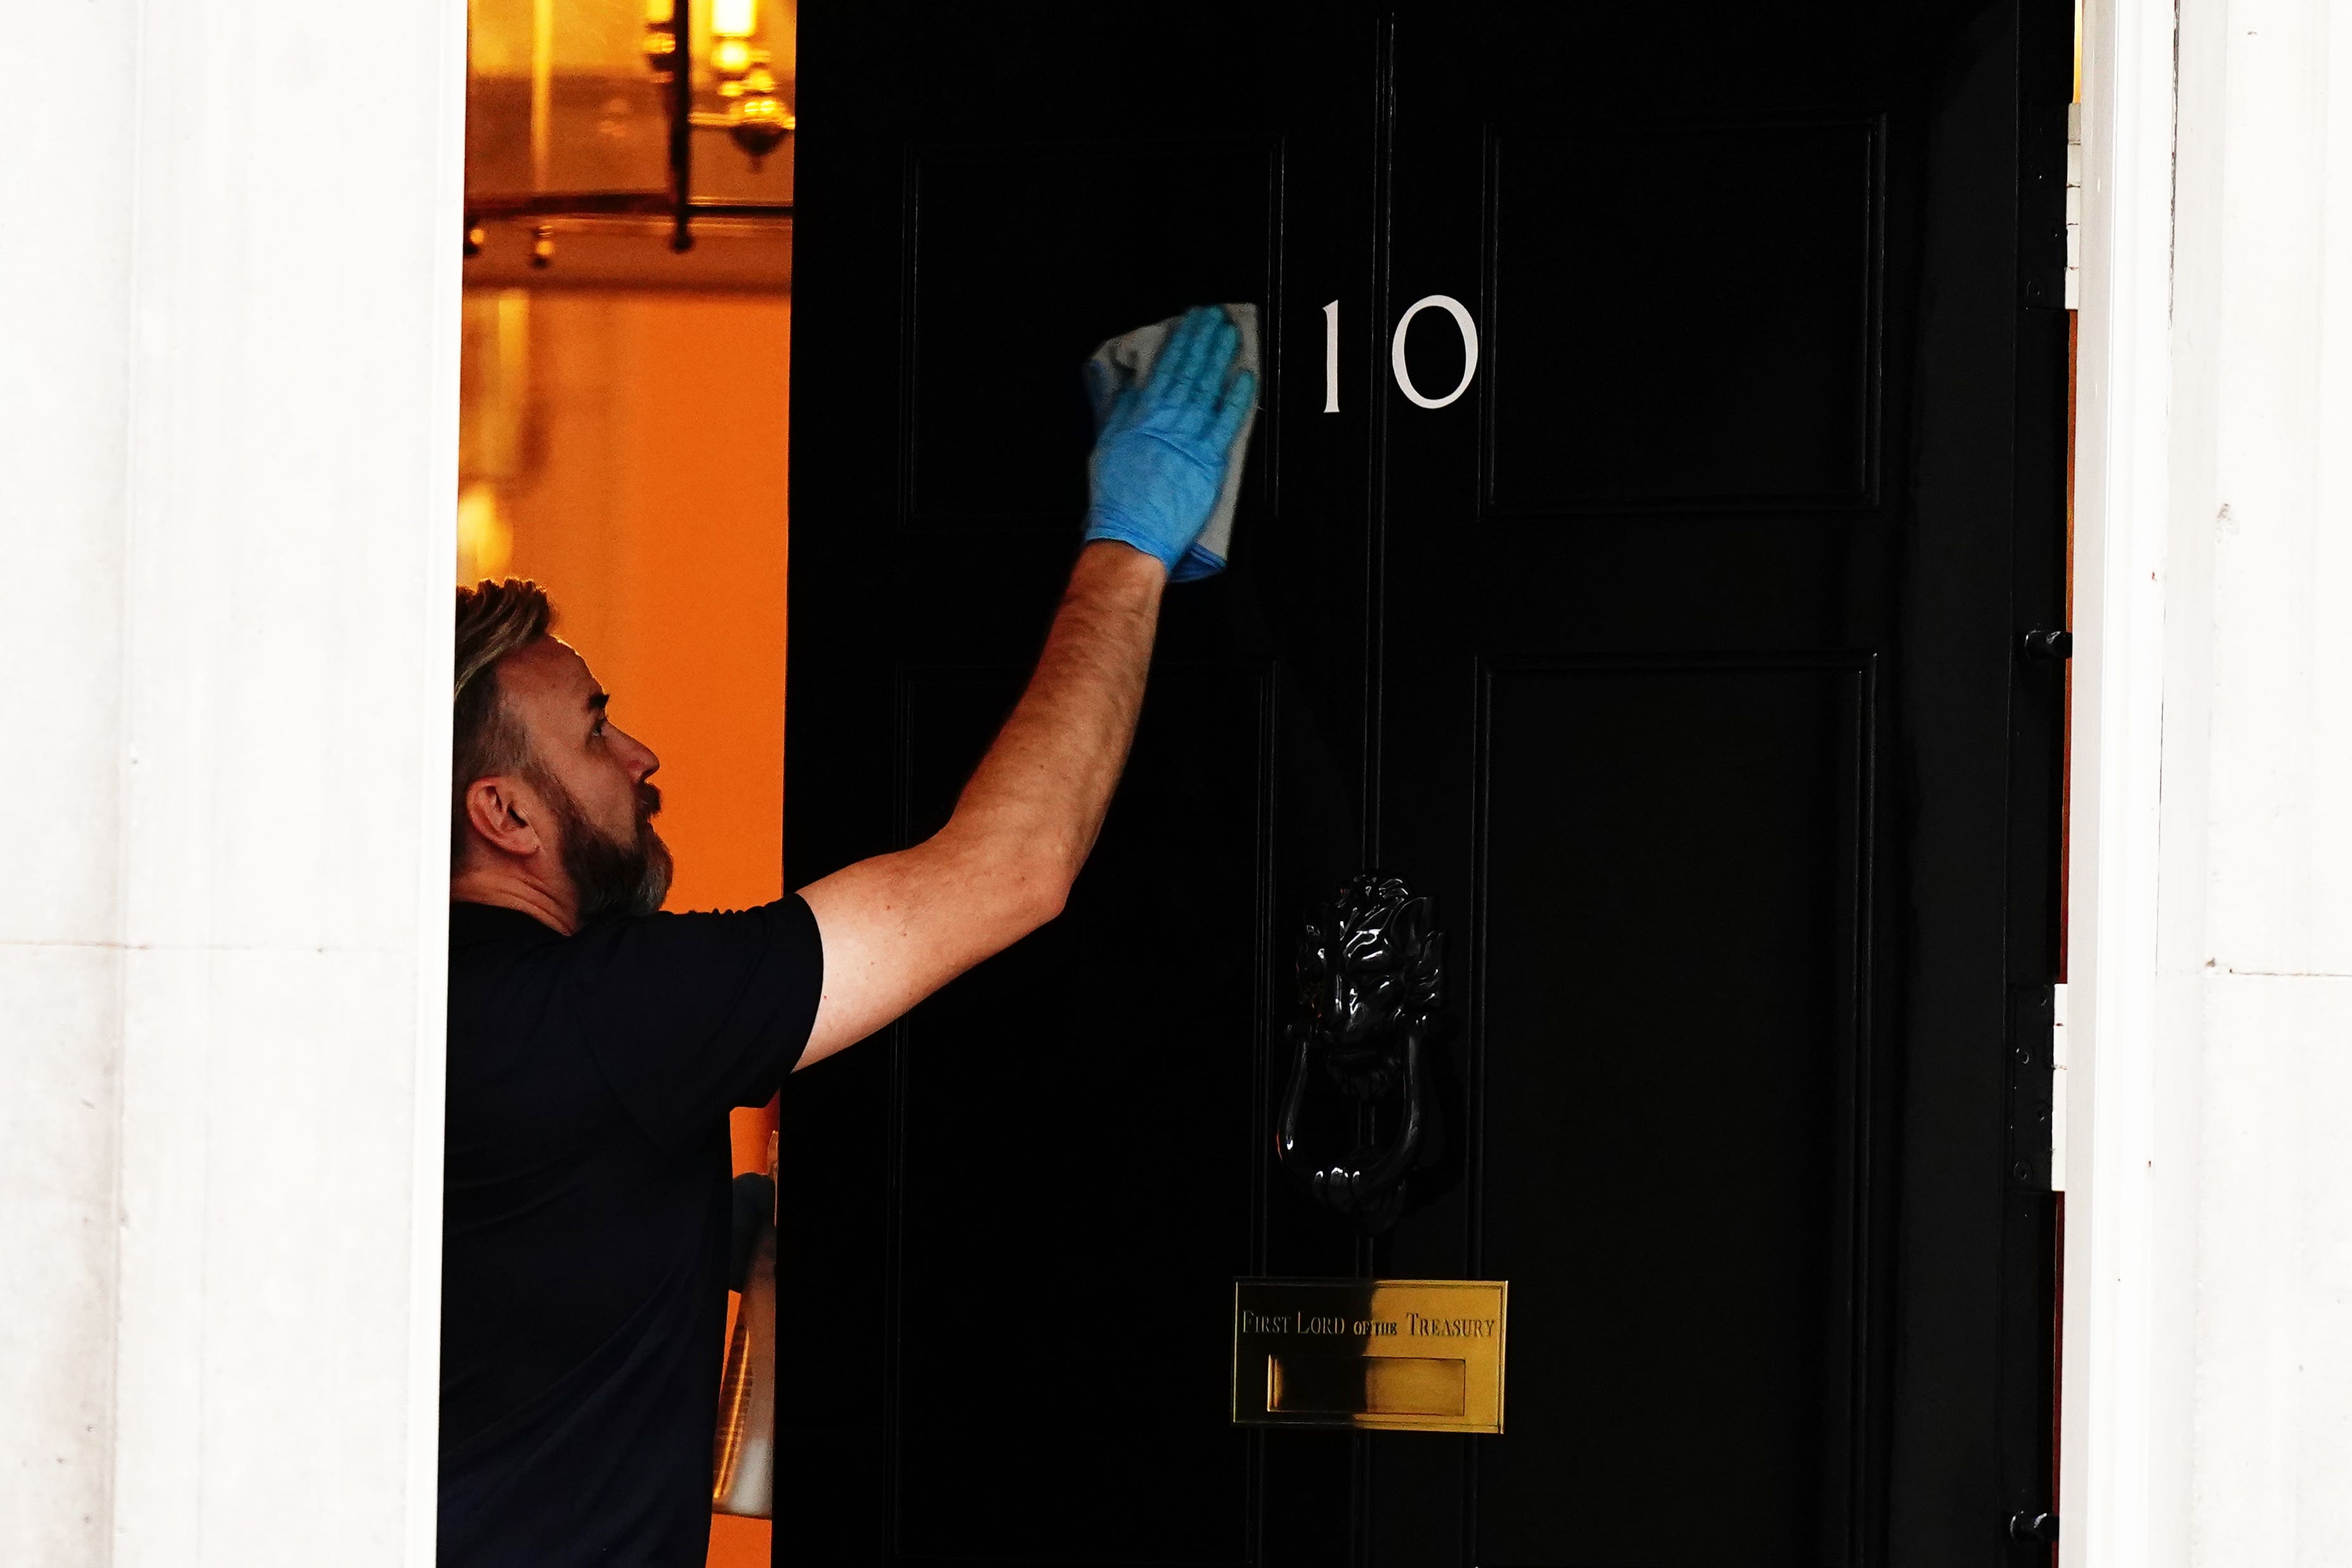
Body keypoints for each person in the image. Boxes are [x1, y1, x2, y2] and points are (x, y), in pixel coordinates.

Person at [438, 307, 1255, 1565]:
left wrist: (710, 1220)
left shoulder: (433, 1010)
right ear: (502, 812)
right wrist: (1128, 546)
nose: (642, 754)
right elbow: (1011, 874)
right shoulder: (605, 1013)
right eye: (598, 729)